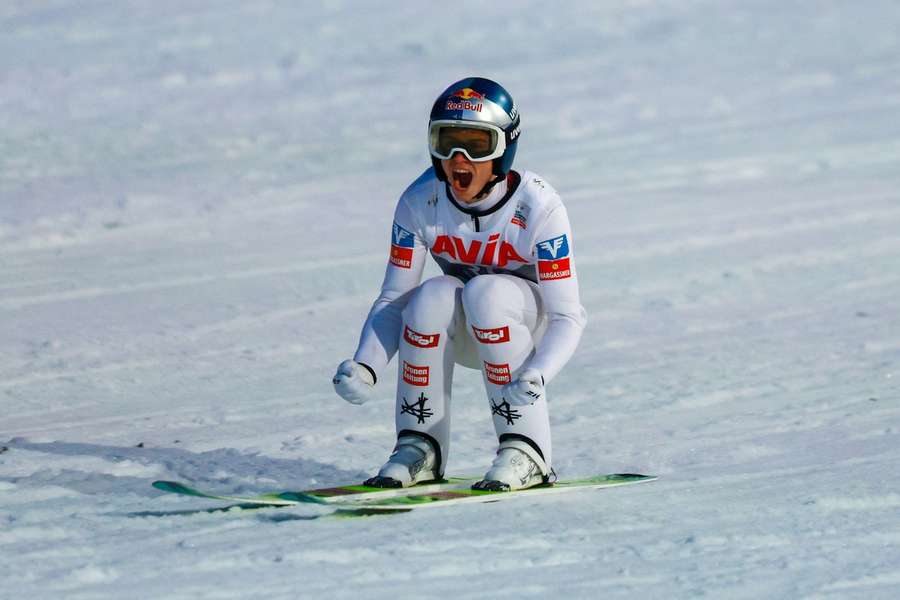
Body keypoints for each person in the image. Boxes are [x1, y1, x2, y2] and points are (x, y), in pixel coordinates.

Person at [332, 77, 586, 491]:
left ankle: (526, 451)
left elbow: (568, 317)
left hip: (530, 336)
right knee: (430, 296)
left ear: (504, 149)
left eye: (477, 145)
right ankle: (419, 446)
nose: (458, 159)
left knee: (487, 293)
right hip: (469, 330)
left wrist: (539, 372)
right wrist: (366, 365)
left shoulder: (539, 206)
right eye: (446, 142)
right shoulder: (420, 200)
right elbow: (394, 297)